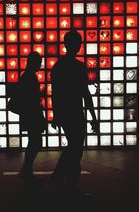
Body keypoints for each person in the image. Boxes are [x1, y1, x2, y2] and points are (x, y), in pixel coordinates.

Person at [49, 29, 99, 195]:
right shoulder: (78, 67)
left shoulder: (58, 67)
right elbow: (86, 94)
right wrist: (93, 117)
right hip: (76, 113)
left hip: (65, 113)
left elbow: (55, 94)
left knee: (73, 146)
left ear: (65, 44)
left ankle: (61, 178)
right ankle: (69, 182)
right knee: (76, 148)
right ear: (78, 46)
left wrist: (56, 115)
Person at [13, 51, 47, 184]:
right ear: (33, 63)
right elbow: (32, 99)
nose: (41, 64)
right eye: (39, 62)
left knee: (33, 142)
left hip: (29, 114)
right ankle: (27, 171)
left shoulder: (26, 76)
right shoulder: (30, 77)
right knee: (35, 143)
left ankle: (27, 171)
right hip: (32, 114)